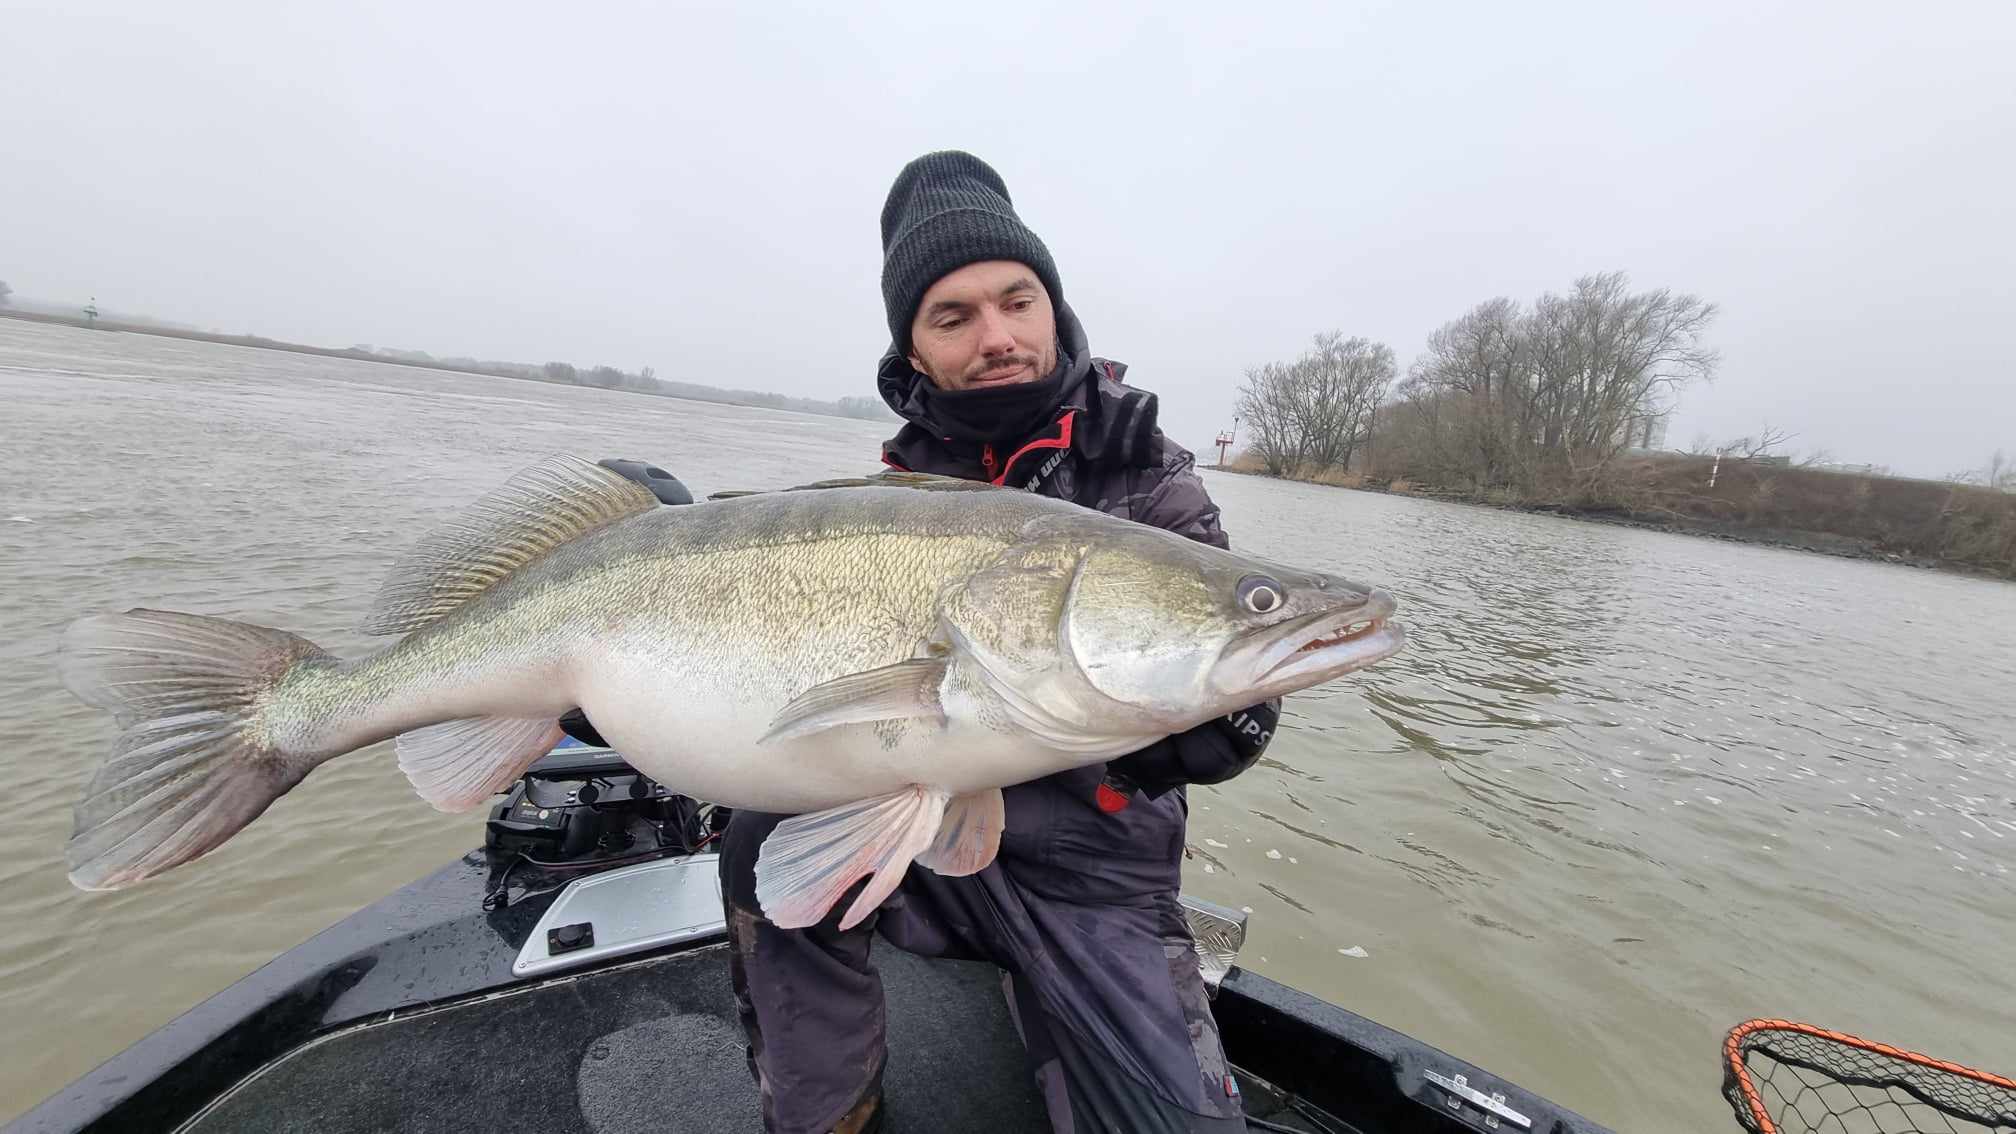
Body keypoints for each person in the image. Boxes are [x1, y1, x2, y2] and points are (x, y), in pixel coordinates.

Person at [718, 151, 1282, 1134]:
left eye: (1017, 300)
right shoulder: (884, 501)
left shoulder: (1150, 485)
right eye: (954, 316)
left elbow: (1225, 640)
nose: (998, 336)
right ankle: (828, 1111)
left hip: (1093, 876)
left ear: (1054, 307)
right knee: (758, 832)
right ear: (916, 351)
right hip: (932, 839)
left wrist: (1233, 720)